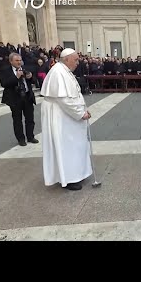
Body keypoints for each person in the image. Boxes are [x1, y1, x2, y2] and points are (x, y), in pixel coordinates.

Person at [40, 48, 92, 191]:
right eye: (75, 60)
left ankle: (75, 174)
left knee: (73, 145)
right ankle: (69, 179)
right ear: (67, 59)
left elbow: (73, 95)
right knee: (66, 146)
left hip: (66, 115)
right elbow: (64, 100)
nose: (77, 62)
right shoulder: (58, 72)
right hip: (60, 115)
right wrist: (81, 114)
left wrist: (83, 109)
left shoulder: (65, 71)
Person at [0, 53, 38, 146]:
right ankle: (21, 139)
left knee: (30, 119)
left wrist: (31, 77)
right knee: (17, 120)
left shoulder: (25, 68)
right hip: (15, 99)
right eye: (17, 60)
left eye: (20, 60)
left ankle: (30, 137)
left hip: (27, 97)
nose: (19, 62)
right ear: (11, 61)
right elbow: (4, 83)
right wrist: (16, 77)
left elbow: (34, 81)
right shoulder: (4, 70)